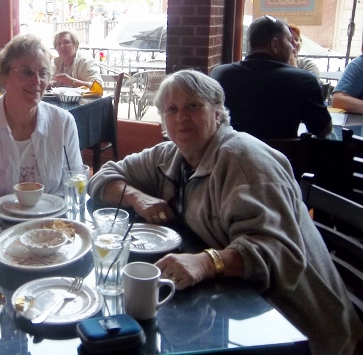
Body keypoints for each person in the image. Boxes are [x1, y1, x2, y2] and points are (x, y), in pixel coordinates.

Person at [88, 69, 363, 355]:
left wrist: (205, 263)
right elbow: (103, 177)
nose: (182, 117)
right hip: (238, 302)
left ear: (217, 114)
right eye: (172, 109)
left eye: (194, 106)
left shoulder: (244, 160)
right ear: (164, 122)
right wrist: (137, 197)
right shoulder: (172, 154)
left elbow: (279, 250)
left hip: (297, 326)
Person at [0, 34, 82, 200]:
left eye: (43, 73)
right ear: (4, 76)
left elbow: (73, 184)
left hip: (50, 222)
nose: (37, 81)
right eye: (27, 72)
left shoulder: (63, 122)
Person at [211, 15, 332, 139]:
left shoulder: (220, 74)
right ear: (274, 44)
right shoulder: (303, 80)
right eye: (290, 41)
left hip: (229, 156)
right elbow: (323, 130)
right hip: (283, 158)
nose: (293, 47)